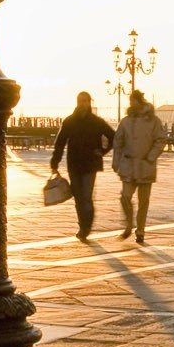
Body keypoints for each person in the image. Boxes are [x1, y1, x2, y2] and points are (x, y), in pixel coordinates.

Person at [50, 91, 114, 241]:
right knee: (78, 197)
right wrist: (55, 162)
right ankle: (82, 225)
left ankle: (86, 227)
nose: (83, 104)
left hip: (91, 164)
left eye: (85, 101)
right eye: (80, 101)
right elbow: (60, 142)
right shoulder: (70, 121)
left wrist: (103, 151)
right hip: (74, 164)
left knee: (86, 196)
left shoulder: (96, 121)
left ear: (89, 102)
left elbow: (113, 136)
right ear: (77, 102)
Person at [112, 90, 167, 244]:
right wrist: (116, 162)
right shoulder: (126, 121)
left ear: (139, 101)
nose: (132, 104)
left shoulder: (153, 121)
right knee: (125, 197)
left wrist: (151, 156)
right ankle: (129, 223)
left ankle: (140, 231)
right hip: (128, 166)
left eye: (134, 101)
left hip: (145, 166)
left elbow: (161, 140)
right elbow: (118, 143)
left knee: (144, 201)